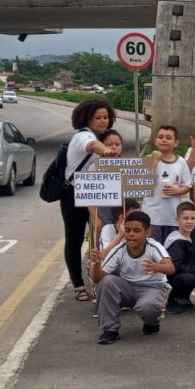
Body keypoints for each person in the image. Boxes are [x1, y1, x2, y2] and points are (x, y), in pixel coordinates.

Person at [61, 98, 118, 303]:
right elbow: (93, 146)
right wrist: (105, 151)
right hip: (75, 195)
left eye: (106, 117)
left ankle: (98, 282)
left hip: (97, 192)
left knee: (100, 238)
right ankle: (78, 285)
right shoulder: (83, 136)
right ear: (87, 118)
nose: (103, 121)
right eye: (98, 117)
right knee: (75, 239)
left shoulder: (103, 135)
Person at [89, 210, 174, 345]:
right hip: (128, 288)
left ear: (147, 233)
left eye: (136, 231)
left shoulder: (153, 247)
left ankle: (152, 322)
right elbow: (97, 278)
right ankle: (110, 329)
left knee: (147, 307)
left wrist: (157, 267)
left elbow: (170, 268)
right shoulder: (120, 249)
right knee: (106, 282)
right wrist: (96, 263)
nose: (131, 234)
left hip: (153, 288)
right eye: (127, 230)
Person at [143, 125, 192, 244]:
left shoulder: (181, 162)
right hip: (152, 216)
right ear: (155, 141)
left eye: (168, 137)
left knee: (171, 248)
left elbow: (187, 185)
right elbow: (144, 184)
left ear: (176, 142)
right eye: (160, 137)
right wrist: (154, 161)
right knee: (151, 248)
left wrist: (177, 191)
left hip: (172, 216)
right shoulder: (148, 159)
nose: (164, 140)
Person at [164, 202, 195, 313]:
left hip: (193, 271)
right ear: (177, 220)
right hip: (173, 279)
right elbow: (176, 267)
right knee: (187, 278)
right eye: (185, 218)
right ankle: (169, 298)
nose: (189, 222)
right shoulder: (175, 241)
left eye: (192, 218)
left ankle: (188, 295)